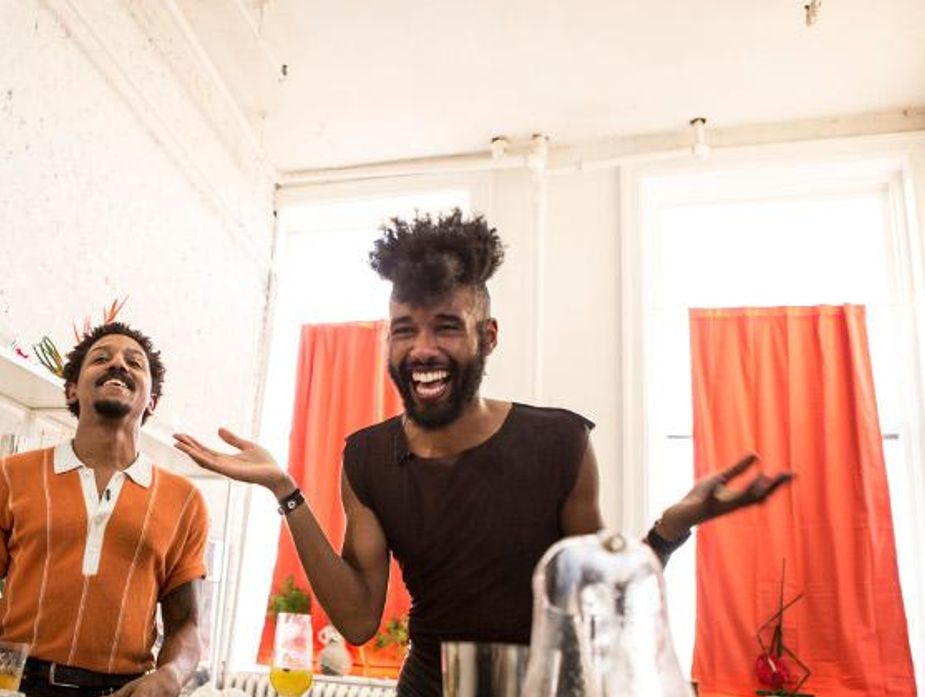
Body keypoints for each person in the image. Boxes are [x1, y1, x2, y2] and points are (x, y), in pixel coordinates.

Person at [173, 210, 793, 697]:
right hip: (428, 687)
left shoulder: (559, 443)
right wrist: (287, 490)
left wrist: (670, 529)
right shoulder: (365, 458)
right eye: (404, 329)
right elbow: (360, 620)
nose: (422, 348)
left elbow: (597, 603)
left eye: (446, 326)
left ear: (486, 336)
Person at [0, 322, 209, 697]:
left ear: (151, 400)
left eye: (134, 362)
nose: (118, 364)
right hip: (16, 685)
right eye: (101, 358)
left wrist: (171, 675)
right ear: (72, 389)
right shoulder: (7, 477)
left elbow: (186, 624)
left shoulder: (185, 500)